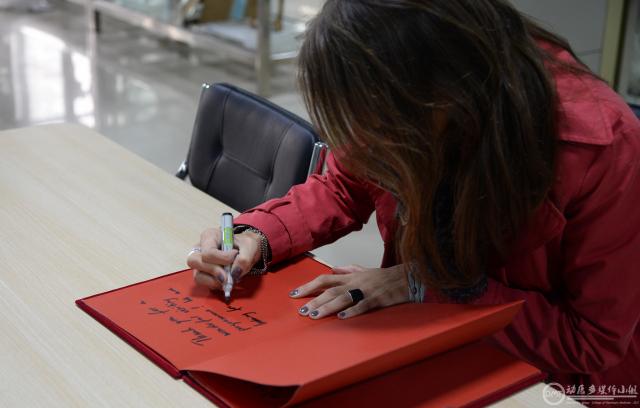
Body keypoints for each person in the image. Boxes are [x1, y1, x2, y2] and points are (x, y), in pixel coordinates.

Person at [187, 0, 640, 391]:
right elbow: (342, 185)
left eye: (380, 130)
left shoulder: (601, 149)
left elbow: (591, 340)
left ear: (445, 96)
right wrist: (255, 235)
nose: (367, 143)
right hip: (424, 346)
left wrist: (429, 286)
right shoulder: (395, 88)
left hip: (552, 385)